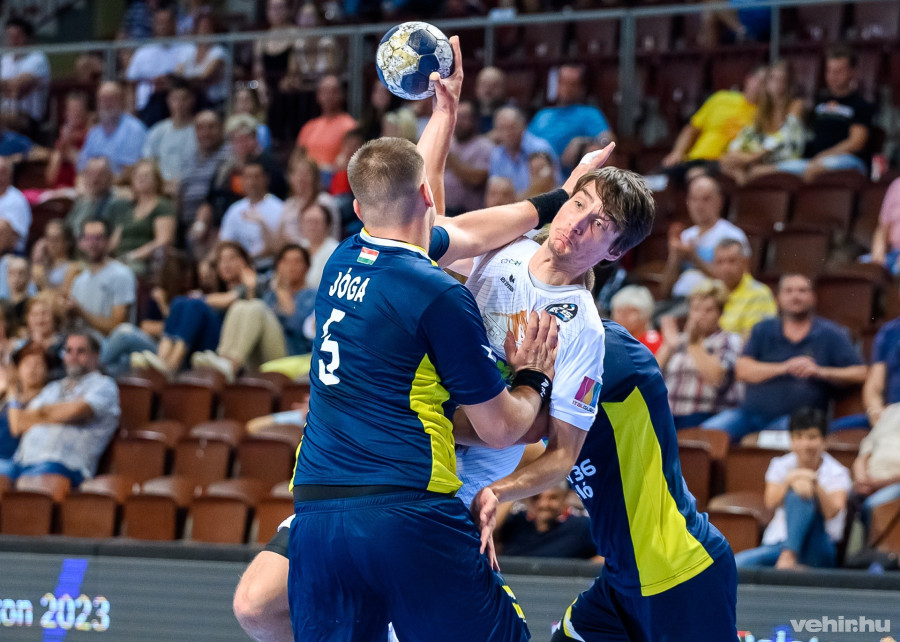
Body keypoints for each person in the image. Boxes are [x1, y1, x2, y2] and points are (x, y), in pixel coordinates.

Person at [286, 36, 569, 640]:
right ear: (425, 199)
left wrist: (446, 115)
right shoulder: (439, 294)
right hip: (404, 505)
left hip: (315, 513)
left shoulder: (341, 257)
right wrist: (533, 376)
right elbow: (501, 428)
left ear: (358, 207)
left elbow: (466, 227)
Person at [471, 320, 737, 642]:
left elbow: (522, 429)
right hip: (621, 581)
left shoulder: (609, 350)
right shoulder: (564, 408)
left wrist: (496, 486)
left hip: (678, 569)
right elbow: (529, 448)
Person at [702, 274, 867, 441]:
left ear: (813, 297)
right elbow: (742, 370)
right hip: (748, 415)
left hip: (798, 420)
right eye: (789, 291)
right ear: (778, 298)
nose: (795, 296)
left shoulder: (830, 333)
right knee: (704, 436)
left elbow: (861, 372)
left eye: (802, 291)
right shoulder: (762, 329)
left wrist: (819, 371)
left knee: (768, 442)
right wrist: (786, 367)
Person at [735, 407, 850, 569]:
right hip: (779, 543)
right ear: (791, 440)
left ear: (824, 441)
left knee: (800, 494)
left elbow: (832, 512)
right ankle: (789, 555)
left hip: (818, 546)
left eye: (812, 437)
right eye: (798, 437)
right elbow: (770, 502)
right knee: (738, 564)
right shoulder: (779, 465)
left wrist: (814, 484)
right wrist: (790, 481)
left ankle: (789, 556)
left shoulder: (837, 472)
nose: (805, 444)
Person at [132, 241, 259, 377]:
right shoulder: (217, 288)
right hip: (203, 347)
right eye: (221, 260)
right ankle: (162, 359)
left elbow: (229, 299)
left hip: (225, 344)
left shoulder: (250, 285)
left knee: (195, 305)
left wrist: (201, 298)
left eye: (231, 258)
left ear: (243, 262)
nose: (225, 264)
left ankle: (172, 365)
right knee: (179, 301)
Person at [7, 332, 119, 486]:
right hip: (21, 462)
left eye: (81, 351)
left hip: (62, 465)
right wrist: (58, 413)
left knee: (27, 487)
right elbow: (20, 423)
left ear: (95, 356)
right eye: (69, 350)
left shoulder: (104, 386)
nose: (73, 356)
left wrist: (40, 415)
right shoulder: (53, 387)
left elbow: (76, 411)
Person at [192, 244, 314, 381]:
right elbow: (251, 320)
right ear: (278, 265)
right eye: (285, 261)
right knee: (240, 305)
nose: (290, 266)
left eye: (297, 261)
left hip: (291, 355)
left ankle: (231, 365)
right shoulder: (270, 294)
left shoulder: (313, 296)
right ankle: (223, 360)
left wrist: (282, 291)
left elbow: (300, 329)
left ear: (307, 267)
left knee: (257, 306)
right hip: (260, 354)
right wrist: (250, 289)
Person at [776, 46, 874, 182]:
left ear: (852, 72)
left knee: (813, 171)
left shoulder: (860, 105)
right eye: (829, 70)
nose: (833, 76)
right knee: (768, 171)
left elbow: (856, 142)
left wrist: (825, 155)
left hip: (849, 160)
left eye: (839, 71)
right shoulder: (819, 103)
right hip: (815, 160)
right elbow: (801, 132)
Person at [657, 279, 743, 429]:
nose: (700, 315)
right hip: (669, 413)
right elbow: (652, 376)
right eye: (696, 309)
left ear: (720, 314)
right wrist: (668, 346)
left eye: (708, 310)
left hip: (706, 415)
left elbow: (717, 379)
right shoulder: (678, 340)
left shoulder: (728, 340)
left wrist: (694, 343)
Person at [660, 66, 765, 183]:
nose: (761, 87)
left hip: (723, 164)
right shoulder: (721, 98)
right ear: (748, 79)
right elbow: (691, 128)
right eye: (759, 81)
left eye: (765, 83)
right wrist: (677, 152)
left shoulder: (764, 114)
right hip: (695, 159)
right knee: (655, 181)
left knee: (698, 177)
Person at [661, 174, 749, 300]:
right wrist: (674, 257)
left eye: (706, 199)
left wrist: (694, 258)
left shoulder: (733, 235)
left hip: (710, 303)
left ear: (719, 201)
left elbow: (740, 283)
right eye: (694, 199)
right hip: (677, 301)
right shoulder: (685, 236)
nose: (699, 206)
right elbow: (665, 291)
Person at [719, 60, 806, 185]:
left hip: (785, 162)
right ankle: (744, 193)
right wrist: (737, 153)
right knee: (727, 164)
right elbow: (746, 137)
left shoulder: (796, 106)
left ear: (789, 84)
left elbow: (784, 139)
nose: (777, 83)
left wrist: (752, 157)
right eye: (772, 78)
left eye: (782, 79)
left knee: (754, 171)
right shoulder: (760, 110)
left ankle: (745, 192)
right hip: (758, 161)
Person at [527, 64, 614, 169]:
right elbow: (525, 142)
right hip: (537, 169)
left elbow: (607, 140)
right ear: (557, 85)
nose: (567, 89)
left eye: (573, 84)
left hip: (571, 172)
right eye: (564, 83)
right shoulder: (543, 115)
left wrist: (583, 142)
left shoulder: (589, 113)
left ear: (580, 88)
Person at [67, 219, 137, 338]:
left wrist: (82, 313)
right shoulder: (78, 280)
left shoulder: (121, 274)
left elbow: (118, 327)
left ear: (108, 240)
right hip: (81, 342)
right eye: (88, 238)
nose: (92, 243)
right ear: (81, 242)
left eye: (98, 238)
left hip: (109, 343)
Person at [126, 5, 194, 125]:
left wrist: (169, 82)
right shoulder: (142, 52)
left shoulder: (188, 50)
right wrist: (132, 113)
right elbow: (131, 85)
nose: (163, 26)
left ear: (174, 23)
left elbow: (192, 82)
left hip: (177, 105)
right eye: (159, 22)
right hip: (146, 107)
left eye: (166, 22)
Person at [107, 159, 177, 275]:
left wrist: (133, 256)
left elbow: (163, 241)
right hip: (121, 260)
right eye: (138, 175)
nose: (141, 178)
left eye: (146, 175)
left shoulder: (162, 206)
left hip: (145, 263)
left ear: (156, 180)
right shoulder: (129, 209)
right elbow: (114, 241)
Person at [496, 481, 598, 560]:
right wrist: (514, 493)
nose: (543, 504)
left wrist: (582, 570)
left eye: (553, 498)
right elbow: (490, 530)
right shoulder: (516, 522)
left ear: (564, 498)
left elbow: (605, 554)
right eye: (536, 498)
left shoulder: (580, 527)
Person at [179, 110, 230, 258]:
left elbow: (221, 194)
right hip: (186, 223)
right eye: (200, 128)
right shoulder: (189, 158)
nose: (205, 133)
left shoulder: (229, 156)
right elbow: (181, 190)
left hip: (215, 225)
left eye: (211, 127)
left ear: (221, 128)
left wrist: (204, 222)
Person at [0, 341, 51, 478]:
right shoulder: (6, 398)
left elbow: (17, 429)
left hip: (16, 461)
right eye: (27, 364)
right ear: (18, 369)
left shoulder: (47, 398)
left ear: (47, 370)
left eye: (38, 364)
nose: (32, 369)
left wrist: (12, 393)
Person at [77, 82, 147, 180]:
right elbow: (82, 167)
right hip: (94, 184)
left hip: (122, 185)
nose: (106, 104)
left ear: (122, 102)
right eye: (102, 100)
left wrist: (102, 181)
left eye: (111, 99)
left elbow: (131, 170)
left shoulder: (134, 129)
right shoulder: (94, 133)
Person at [218, 161, 284, 262]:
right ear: (242, 181)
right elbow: (225, 242)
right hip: (239, 264)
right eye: (248, 177)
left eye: (256, 177)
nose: (252, 182)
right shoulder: (234, 210)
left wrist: (262, 223)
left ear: (266, 179)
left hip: (269, 263)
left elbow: (278, 247)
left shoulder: (279, 208)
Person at [711, 238, 776, 338]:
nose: (725, 268)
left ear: (744, 263)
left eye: (731, 261)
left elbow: (755, 339)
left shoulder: (759, 294)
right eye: (720, 262)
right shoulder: (709, 291)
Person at [141, 81, 197, 193]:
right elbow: (148, 161)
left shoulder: (198, 131)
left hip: (189, 187)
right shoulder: (157, 130)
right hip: (160, 187)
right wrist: (161, 183)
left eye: (184, 99)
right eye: (175, 99)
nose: (179, 104)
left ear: (192, 101)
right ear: (168, 101)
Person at [295, 74, 358, 176]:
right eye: (324, 91)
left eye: (333, 91)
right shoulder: (309, 127)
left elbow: (350, 163)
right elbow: (296, 158)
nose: (329, 96)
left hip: (334, 179)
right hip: (309, 179)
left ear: (342, 94)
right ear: (318, 96)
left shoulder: (350, 126)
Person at [490, 106, 561, 195]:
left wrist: (516, 200)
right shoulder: (496, 155)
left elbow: (547, 189)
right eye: (501, 128)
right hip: (513, 203)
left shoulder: (541, 150)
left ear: (523, 126)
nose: (507, 133)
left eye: (511, 127)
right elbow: (495, 191)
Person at [0, 18, 50, 138]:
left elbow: (18, 87)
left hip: (28, 118)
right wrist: (11, 87)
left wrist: (6, 87)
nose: (13, 41)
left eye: (17, 37)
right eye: (10, 37)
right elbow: (14, 88)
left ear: (27, 38)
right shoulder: (5, 59)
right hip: (5, 114)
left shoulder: (37, 59)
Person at [174, 12, 228, 111]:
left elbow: (205, 77)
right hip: (191, 98)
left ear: (214, 31)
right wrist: (189, 80)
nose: (204, 32)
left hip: (213, 102)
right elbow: (177, 73)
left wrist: (185, 80)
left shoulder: (219, 52)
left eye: (207, 28)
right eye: (201, 28)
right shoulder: (189, 50)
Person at [65, 157, 122, 238]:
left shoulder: (116, 203)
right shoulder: (81, 202)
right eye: (90, 174)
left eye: (100, 174)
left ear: (110, 177)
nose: (94, 179)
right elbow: (67, 229)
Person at [44, 92, 90, 190]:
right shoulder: (62, 141)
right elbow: (50, 179)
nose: (75, 113)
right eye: (71, 110)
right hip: (59, 190)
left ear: (86, 113)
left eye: (78, 109)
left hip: (80, 189)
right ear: (65, 114)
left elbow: (90, 174)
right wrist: (62, 149)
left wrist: (72, 154)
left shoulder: (91, 137)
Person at [609, 285, 662, 354]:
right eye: (619, 311)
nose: (623, 316)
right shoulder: (607, 340)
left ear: (646, 314)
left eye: (631, 311)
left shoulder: (654, 342)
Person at [30, 220, 79, 294]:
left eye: (56, 240)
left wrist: (43, 285)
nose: (52, 244)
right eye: (49, 239)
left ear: (67, 242)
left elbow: (66, 295)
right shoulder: (40, 267)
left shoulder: (74, 268)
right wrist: (37, 259)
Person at [298, 203, 338, 290]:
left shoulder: (335, 251)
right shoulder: (298, 247)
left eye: (316, 222)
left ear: (327, 225)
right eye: (308, 222)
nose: (312, 226)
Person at [868, 176, 900, 275]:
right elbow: (882, 227)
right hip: (893, 252)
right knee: (862, 267)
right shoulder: (896, 185)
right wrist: (877, 259)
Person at [0, 156, 31, 254]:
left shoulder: (16, 199)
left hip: (12, 253)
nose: (0, 177)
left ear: (10, 175)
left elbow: (10, 237)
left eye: (3, 173)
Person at [474, 66, 507, 134]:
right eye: (484, 85)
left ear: (503, 89)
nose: (488, 90)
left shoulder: (510, 113)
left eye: (494, 85)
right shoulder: (468, 111)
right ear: (477, 88)